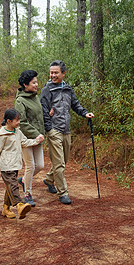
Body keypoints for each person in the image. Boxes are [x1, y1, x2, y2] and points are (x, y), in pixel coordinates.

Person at [40, 60, 94, 204]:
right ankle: (63, 193)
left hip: (66, 130)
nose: (53, 75)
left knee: (63, 160)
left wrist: (85, 113)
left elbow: (75, 105)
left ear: (63, 73)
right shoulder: (47, 89)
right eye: (51, 72)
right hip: (54, 130)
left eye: (56, 72)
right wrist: (49, 129)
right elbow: (44, 110)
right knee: (59, 164)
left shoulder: (68, 88)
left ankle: (49, 179)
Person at [0, 109, 44, 219]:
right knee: (13, 185)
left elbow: (25, 142)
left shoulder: (17, 132)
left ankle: (5, 208)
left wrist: (37, 141)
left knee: (10, 187)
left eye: (19, 120)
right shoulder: (2, 135)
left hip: (15, 164)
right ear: (8, 121)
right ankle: (19, 205)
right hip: (6, 165)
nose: (18, 122)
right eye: (16, 120)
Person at [14, 70, 45, 207]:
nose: (36, 84)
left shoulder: (35, 97)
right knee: (30, 166)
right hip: (26, 139)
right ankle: (27, 194)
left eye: (36, 82)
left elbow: (38, 116)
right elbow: (22, 122)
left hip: (38, 137)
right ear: (25, 84)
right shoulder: (20, 101)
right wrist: (36, 134)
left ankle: (23, 181)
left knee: (40, 165)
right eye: (33, 82)